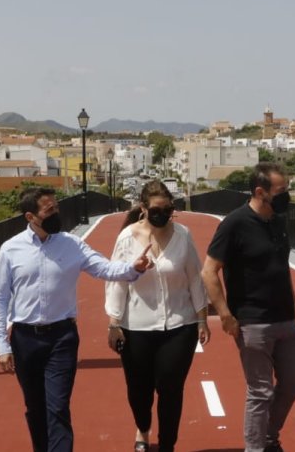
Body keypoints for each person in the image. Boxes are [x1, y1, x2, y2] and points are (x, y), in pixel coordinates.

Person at [0, 186, 155, 452]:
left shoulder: (72, 244)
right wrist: (1, 344)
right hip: (25, 339)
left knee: (57, 406)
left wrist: (132, 269)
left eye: (57, 206)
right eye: (49, 209)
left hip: (62, 338)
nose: (57, 212)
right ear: (31, 216)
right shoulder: (10, 250)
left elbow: (103, 267)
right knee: (35, 408)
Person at [202, 162, 295, 452]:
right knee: (260, 391)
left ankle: (269, 435)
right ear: (261, 191)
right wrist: (225, 315)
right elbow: (209, 271)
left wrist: (294, 305)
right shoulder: (234, 223)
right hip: (252, 321)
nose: (287, 196)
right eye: (281, 190)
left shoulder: (278, 221)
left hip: (285, 319)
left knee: (293, 384)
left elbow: (281, 268)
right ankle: (257, 447)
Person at [105, 180, 211, 452]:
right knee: (139, 392)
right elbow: (117, 282)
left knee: (170, 388)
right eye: (156, 209)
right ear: (143, 208)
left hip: (179, 325)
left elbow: (194, 279)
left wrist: (201, 319)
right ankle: (143, 428)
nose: (162, 214)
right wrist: (114, 324)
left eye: (168, 209)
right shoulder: (127, 237)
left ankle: (167, 444)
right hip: (136, 327)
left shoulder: (183, 235)